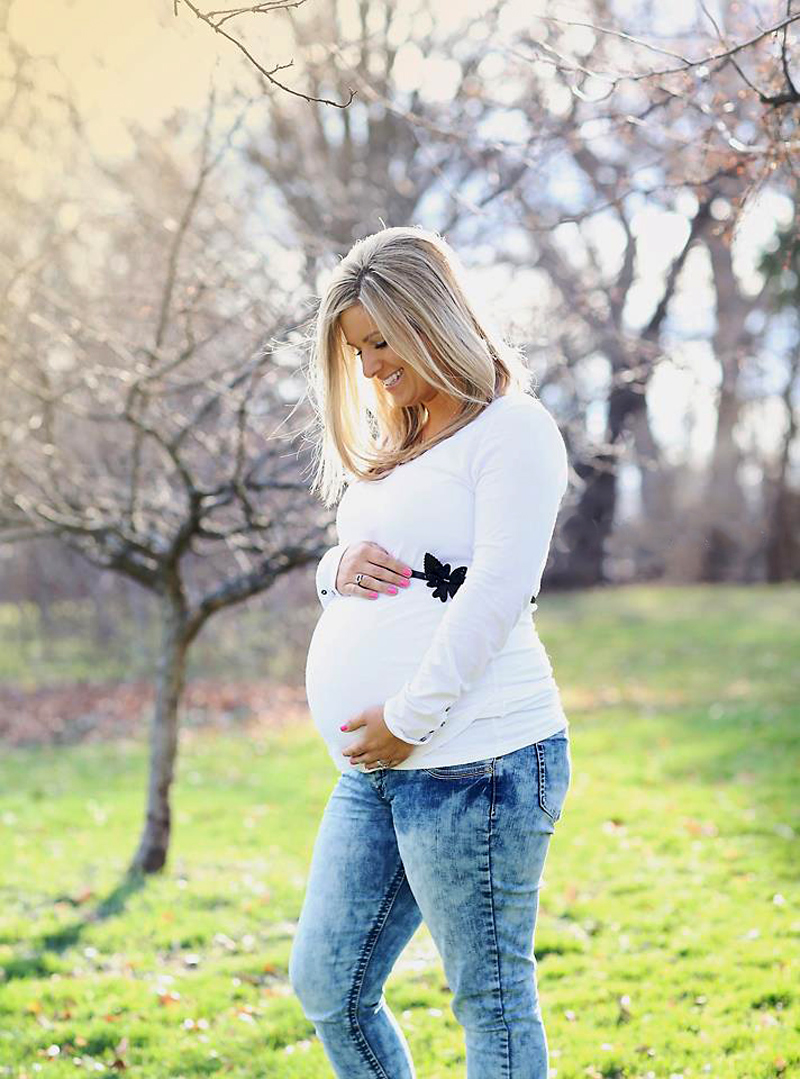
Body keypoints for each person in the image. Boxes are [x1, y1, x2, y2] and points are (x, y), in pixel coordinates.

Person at [290, 224, 573, 1078]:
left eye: (381, 342)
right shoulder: (404, 438)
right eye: (356, 350)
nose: (370, 366)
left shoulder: (512, 430)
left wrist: (410, 718)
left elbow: (496, 593)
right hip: (380, 767)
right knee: (328, 985)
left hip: (476, 761)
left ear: (431, 318)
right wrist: (331, 569)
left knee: (488, 1003)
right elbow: (370, 563)